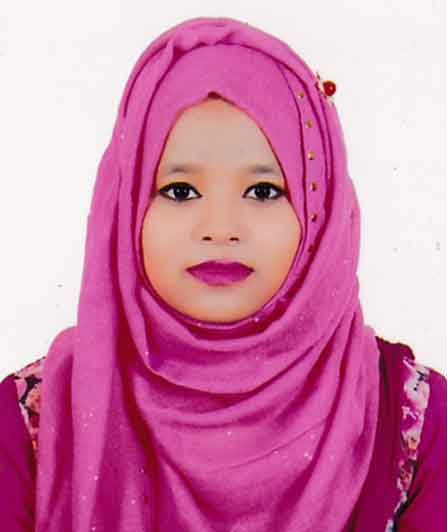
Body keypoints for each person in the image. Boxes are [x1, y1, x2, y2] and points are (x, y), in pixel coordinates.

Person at [1, 15, 446, 532]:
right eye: (179, 191)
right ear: (125, 207)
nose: (219, 228)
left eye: (263, 191)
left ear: (320, 214)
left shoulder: (418, 426)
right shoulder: (32, 425)